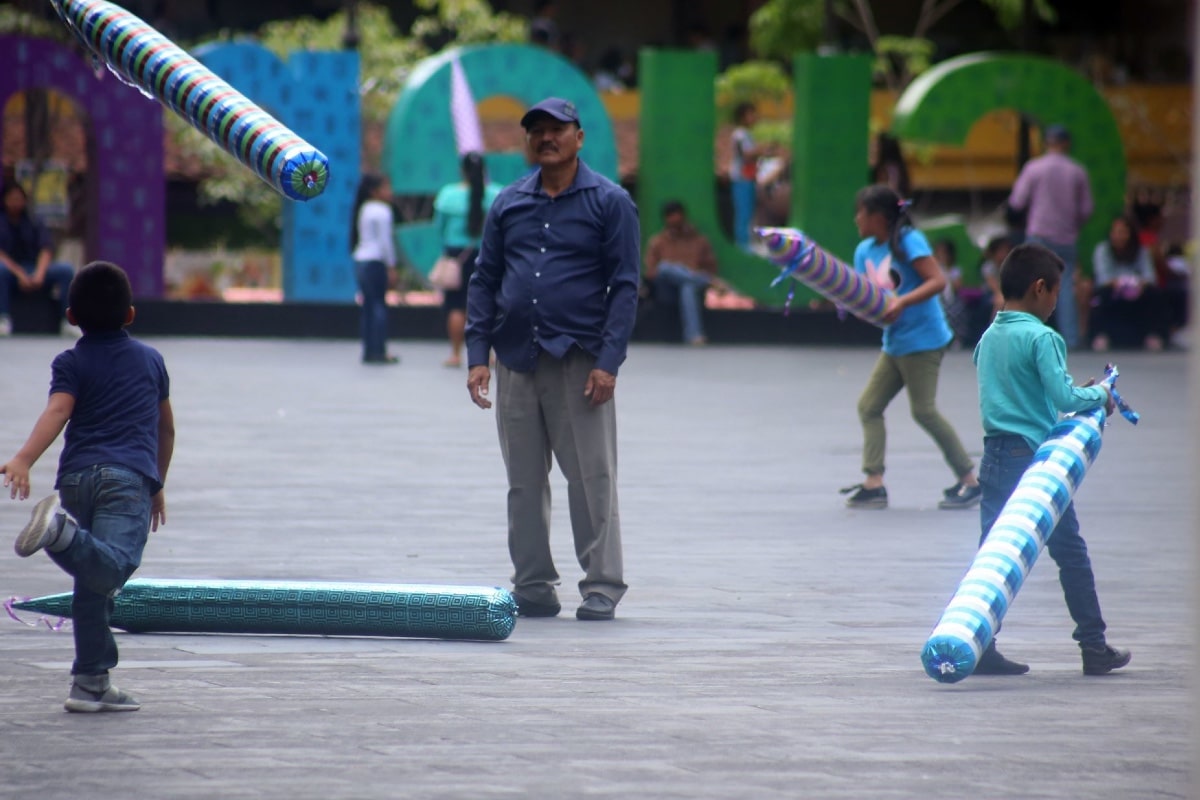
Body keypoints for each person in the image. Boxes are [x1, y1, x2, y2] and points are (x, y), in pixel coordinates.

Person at [465, 97, 640, 622]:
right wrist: (479, 355)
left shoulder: (610, 202)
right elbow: (484, 279)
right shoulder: (509, 202)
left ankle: (602, 584)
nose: (546, 138)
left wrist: (609, 362)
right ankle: (534, 585)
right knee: (523, 482)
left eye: (557, 129)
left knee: (591, 478)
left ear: (578, 138)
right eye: (536, 130)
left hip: (579, 361)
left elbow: (626, 286)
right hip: (516, 358)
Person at [2, 261, 175, 711]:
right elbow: (166, 430)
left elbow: (58, 412)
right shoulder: (150, 360)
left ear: (71, 316)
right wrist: (156, 481)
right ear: (131, 314)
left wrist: (24, 458)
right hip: (126, 479)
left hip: (76, 480)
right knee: (114, 568)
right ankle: (60, 535)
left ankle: (91, 682)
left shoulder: (70, 360)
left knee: (92, 582)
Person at [971, 243, 1130, 676]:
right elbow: (1062, 398)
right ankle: (1093, 647)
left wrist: (1069, 391)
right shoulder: (1043, 337)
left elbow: (1022, 390)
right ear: (1040, 289)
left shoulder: (990, 335)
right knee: (1070, 552)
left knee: (994, 555)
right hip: (1034, 463)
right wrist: (1100, 394)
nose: (1056, 303)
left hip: (994, 456)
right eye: (1056, 293)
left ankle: (979, 644)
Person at [840, 185, 981, 511]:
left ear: (878, 217)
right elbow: (869, 296)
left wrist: (901, 301)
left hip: (924, 340)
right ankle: (874, 483)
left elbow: (937, 281)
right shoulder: (864, 251)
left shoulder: (908, 241)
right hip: (896, 341)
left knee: (923, 411)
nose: (856, 219)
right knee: (869, 406)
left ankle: (970, 481)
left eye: (861, 212)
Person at [1007, 125, 1093, 349]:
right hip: (1066, 237)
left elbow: (1017, 201)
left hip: (1039, 235)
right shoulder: (1077, 171)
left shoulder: (1034, 168)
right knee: (1063, 287)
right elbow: (1086, 210)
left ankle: (1028, 336)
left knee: (1032, 286)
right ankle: (1071, 339)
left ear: (1046, 142)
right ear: (1066, 143)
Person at [434, 153, 502, 368]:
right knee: (489, 304)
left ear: (461, 170)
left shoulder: (448, 195)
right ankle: (490, 354)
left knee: (456, 305)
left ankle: (455, 353)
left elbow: (440, 228)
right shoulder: (495, 194)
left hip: (456, 255)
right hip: (487, 253)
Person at [643, 200, 727, 346]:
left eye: (677, 216)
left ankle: (694, 336)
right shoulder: (657, 241)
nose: (675, 220)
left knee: (687, 287)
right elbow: (651, 272)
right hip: (666, 289)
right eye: (671, 216)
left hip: (693, 289)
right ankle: (704, 281)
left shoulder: (699, 241)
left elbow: (711, 268)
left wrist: (687, 275)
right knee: (665, 267)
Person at [0, 181, 75, 336]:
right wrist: (20, 274)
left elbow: (46, 248)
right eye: (12, 199)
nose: (16, 203)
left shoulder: (34, 221)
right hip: (10, 271)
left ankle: (67, 320)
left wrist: (39, 274)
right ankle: (3, 318)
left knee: (65, 270)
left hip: (35, 269)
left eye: (19, 199)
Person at [1089, 215, 1168, 352]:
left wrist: (1137, 284)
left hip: (1137, 291)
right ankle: (1101, 336)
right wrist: (1119, 283)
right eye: (1116, 233)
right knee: (1100, 295)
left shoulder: (1141, 250)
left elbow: (1150, 277)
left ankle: (1154, 336)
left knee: (1155, 294)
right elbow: (1102, 278)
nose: (1119, 237)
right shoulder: (1103, 250)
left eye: (1123, 233)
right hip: (1112, 291)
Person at [350, 173, 398, 365]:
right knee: (378, 306)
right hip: (376, 261)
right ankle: (379, 350)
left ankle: (369, 349)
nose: (390, 192)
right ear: (375, 191)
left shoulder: (364, 209)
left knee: (369, 307)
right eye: (386, 188)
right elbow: (385, 242)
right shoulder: (382, 210)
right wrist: (391, 265)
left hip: (361, 260)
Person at [729, 102, 769, 249]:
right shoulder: (740, 134)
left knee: (749, 214)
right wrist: (761, 149)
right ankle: (742, 245)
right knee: (743, 213)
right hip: (741, 178)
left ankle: (747, 242)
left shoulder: (747, 134)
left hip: (748, 177)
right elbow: (746, 154)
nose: (754, 118)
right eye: (751, 114)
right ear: (742, 117)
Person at [933, 238, 967, 346]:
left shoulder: (955, 270)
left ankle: (956, 338)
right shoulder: (934, 269)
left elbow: (958, 286)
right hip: (937, 299)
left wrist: (947, 274)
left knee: (956, 311)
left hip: (951, 299)